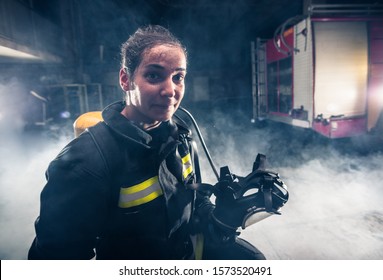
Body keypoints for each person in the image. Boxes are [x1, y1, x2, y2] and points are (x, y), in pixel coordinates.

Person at [28, 25, 265, 260]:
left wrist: (223, 216)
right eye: (154, 75)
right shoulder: (85, 164)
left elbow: (194, 204)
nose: (170, 90)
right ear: (125, 79)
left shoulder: (181, 138)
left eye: (178, 77)